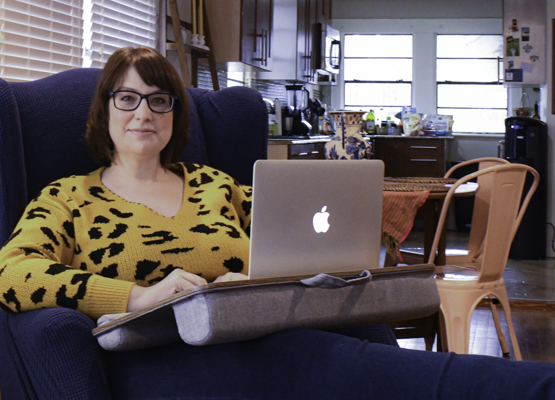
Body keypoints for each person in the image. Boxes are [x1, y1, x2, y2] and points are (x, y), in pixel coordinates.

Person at [1, 46, 555, 400]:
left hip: (267, 329)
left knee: (349, 348)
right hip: (162, 353)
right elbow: (13, 274)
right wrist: (139, 297)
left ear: (176, 115)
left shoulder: (217, 185)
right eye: (127, 99)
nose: (143, 113)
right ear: (105, 111)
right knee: (340, 367)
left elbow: (298, 233)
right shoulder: (70, 197)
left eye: (159, 100)